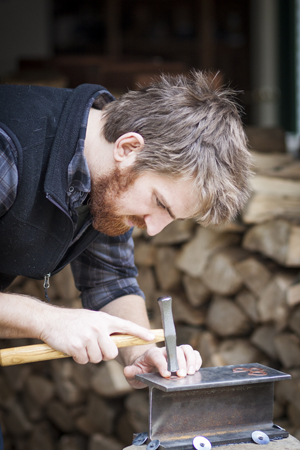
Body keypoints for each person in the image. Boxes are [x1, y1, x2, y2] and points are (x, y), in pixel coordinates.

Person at [0, 70, 251, 422]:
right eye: (161, 203)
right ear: (129, 147)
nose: (153, 229)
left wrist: (141, 352)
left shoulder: (109, 180)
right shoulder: (6, 152)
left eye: (172, 218)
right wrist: (45, 320)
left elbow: (111, 282)